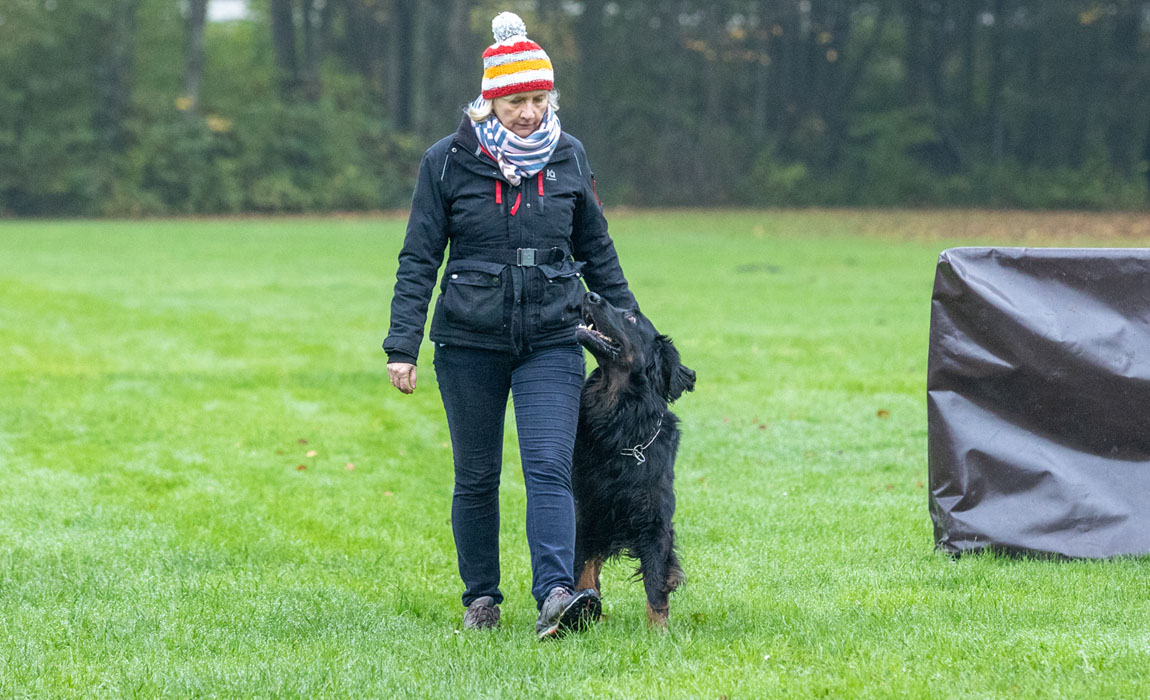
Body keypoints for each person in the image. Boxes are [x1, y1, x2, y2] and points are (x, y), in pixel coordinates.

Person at [383, 11, 638, 640]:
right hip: (468, 341)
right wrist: (402, 344)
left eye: (536, 99)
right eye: (515, 100)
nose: (527, 113)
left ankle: (555, 593)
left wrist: (634, 329)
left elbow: (598, 250)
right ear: (490, 100)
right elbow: (420, 257)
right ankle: (482, 599)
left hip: (552, 336)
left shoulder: (570, 156)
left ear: (550, 97)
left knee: (550, 465)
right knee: (476, 476)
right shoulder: (447, 162)